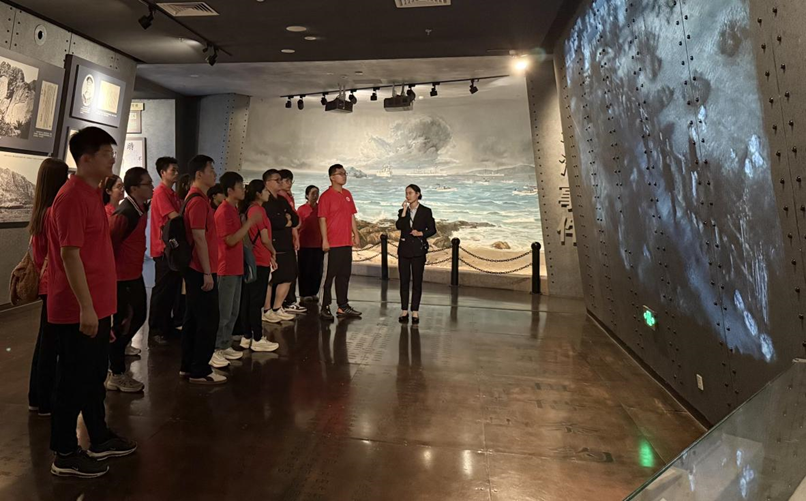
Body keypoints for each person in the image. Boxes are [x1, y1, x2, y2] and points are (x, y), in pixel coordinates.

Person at [48, 127, 136, 478]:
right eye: (106, 154)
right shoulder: (71, 197)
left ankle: (98, 437)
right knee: (72, 380)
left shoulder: (92, 193)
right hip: (77, 308)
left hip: (97, 305)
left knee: (93, 376)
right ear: (86, 159)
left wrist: (103, 310)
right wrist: (86, 307)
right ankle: (65, 452)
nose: (113, 159)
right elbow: (69, 255)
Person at [27, 158, 69, 418]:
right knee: (51, 345)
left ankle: (37, 397)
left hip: (45, 283)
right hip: (54, 283)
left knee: (45, 342)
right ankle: (45, 400)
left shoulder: (40, 211)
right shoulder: (54, 212)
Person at [105, 167, 153, 393]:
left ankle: (115, 362)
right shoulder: (125, 213)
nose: (151, 187)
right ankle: (116, 372)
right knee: (125, 322)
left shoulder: (139, 208)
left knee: (137, 316)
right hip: (121, 278)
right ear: (134, 188)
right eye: (147, 184)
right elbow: (108, 245)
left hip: (133, 275)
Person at [181, 155, 226, 385]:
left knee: (193, 318)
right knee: (208, 320)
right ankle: (199, 370)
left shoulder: (196, 198)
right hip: (200, 269)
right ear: (199, 174)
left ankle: (188, 366)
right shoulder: (198, 201)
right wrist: (208, 272)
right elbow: (199, 237)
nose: (214, 174)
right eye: (211, 170)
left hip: (197, 268)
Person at [211, 172, 262, 367]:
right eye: (240, 187)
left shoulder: (233, 209)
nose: (244, 190)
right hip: (225, 268)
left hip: (236, 266)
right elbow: (230, 240)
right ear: (230, 190)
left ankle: (224, 344)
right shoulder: (224, 211)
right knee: (223, 312)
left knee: (233, 311)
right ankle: (215, 348)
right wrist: (249, 222)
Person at [238, 179, 280, 352]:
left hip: (251, 258)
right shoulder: (258, 210)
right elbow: (265, 238)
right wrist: (273, 252)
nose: (268, 193)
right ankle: (257, 337)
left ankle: (247, 336)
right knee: (256, 300)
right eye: (265, 190)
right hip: (259, 259)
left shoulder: (248, 209)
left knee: (248, 299)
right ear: (258, 193)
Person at [318, 164, 362, 320]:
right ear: (332, 177)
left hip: (346, 243)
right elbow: (322, 219)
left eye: (344, 173)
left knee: (344, 275)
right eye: (340, 173)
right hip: (333, 243)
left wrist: (356, 234)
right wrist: (325, 240)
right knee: (328, 277)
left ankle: (343, 306)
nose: (344, 176)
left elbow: (351, 215)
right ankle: (324, 306)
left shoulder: (347, 194)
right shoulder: (326, 196)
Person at [147, 157, 181, 346]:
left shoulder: (172, 193)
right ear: (162, 173)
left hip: (171, 250)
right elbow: (175, 217)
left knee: (170, 291)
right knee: (162, 291)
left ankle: (166, 327)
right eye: (172, 170)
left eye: (176, 170)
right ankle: (156, 329)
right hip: (163, 249)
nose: (176, 173)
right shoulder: (160, 193)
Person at [396, 184, 436, 324]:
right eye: (406, 193)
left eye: (410, 193)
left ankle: (415, 311)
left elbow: (432, 229)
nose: (408, 196)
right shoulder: (403, 211)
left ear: (418, 194)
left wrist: (421, 233)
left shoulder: (426, 211)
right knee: (404, 281)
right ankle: (404, 310)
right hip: (404, 250)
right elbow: (399, 226)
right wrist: (404, 210)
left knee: (417, 282)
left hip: (418, 251)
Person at [262, 169, 298, 323]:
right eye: (276, 180)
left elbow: (295, 219)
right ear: (267, 182)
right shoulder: (266, 201)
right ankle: (267, 309)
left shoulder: (282, 200)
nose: (280, 183)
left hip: (286, 244)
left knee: (289, 275)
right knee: (271, 279)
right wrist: (286, 220)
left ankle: (277, 307)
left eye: (280, 180)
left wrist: (287, 220)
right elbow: (275, 222)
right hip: (273, 244)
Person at [275, 169, 306, 314]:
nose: (289, 184)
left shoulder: (288, 196)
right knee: (287, 273)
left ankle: (287, 301)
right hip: (282, 240)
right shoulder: (280, 198)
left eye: (290, 181)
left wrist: (296, 236)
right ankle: (285, 302)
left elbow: (293, 220)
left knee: (291, 272)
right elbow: (287, 221)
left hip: (289, 238)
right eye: (286, 181)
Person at [297, 185, 324, 302]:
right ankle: (304, 293)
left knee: (317, 270)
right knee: (304, 269)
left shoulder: (321, 209)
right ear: (307, 195)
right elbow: (297, 226)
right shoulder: (301, 209)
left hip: (318, 244)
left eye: (317, 193)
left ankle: (313, 292)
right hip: (304, 244)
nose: (315, 195)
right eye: (313, 193)